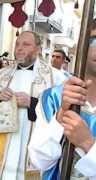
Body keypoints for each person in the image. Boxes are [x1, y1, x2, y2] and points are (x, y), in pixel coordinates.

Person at [0, 31, 67, 179]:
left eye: (26, 44)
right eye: (17, 44)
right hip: (0, 150)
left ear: (38, 49)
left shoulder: (55, 78)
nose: (19, 48)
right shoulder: (1, 75)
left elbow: (62, 111)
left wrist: (32, 103)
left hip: (33, 153)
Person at [28, 26, 96, 180]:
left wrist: (88, 143)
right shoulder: (53, 97)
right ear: (80, 47)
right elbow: (39, 162)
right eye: (94, 40)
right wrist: (60, 117)